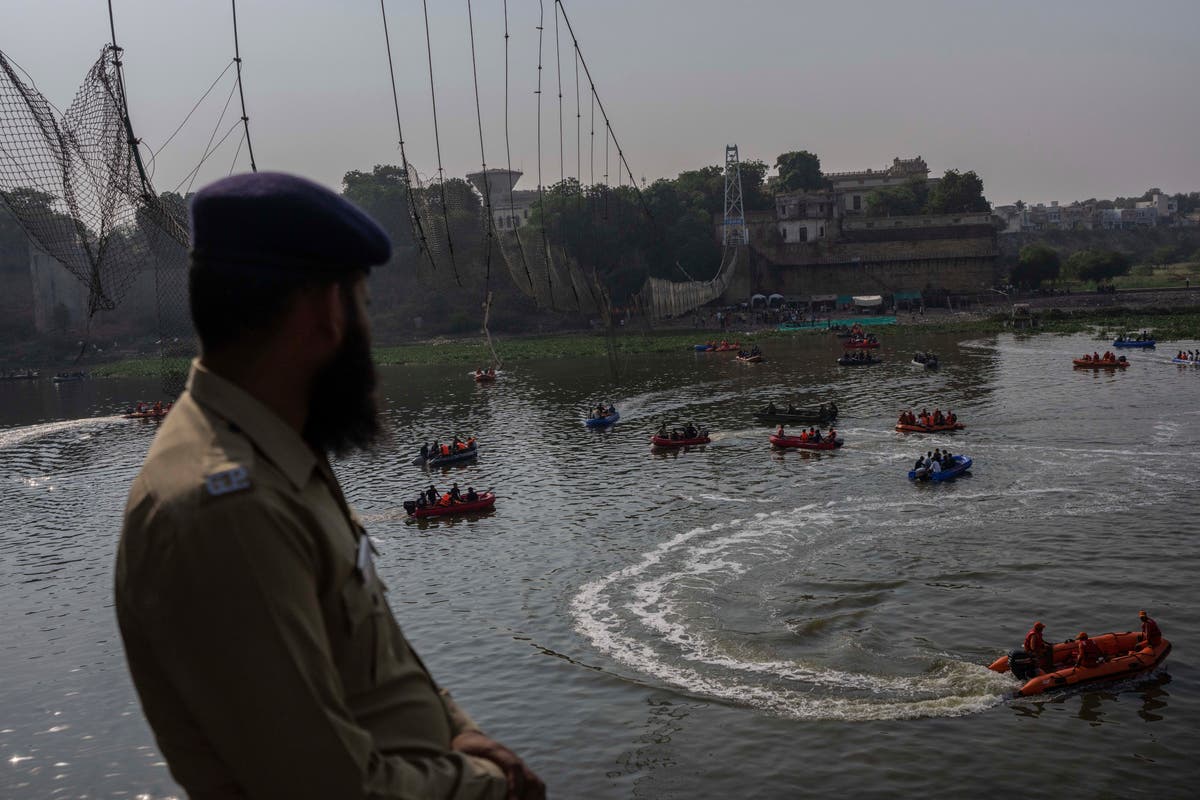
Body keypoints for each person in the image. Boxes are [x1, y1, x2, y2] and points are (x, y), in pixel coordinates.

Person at [115, 172, 540, 799]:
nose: (368, 336)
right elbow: (330, 788)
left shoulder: (280, 455)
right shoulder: (229, 510)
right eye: (364, 307)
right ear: (327, 313)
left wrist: (455, 732)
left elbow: (370, 658)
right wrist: (486, 785)